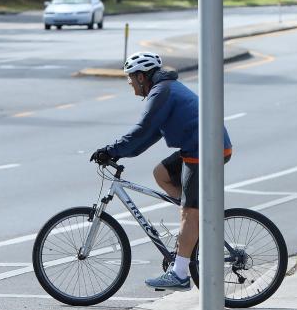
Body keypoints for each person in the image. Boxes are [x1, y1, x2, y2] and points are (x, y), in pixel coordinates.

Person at [90, 52, 232, 291]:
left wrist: (111, 150)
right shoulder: (164, 89)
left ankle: (180, 274)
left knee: (189, 213)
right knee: (161, 174)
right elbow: (149, 135)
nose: (129, 84)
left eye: (131, 79)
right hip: (199, 146)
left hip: (205, 150)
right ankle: (194, 226)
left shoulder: (161, 92)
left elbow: (142, 130)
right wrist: (119, 152)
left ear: (142, 76)